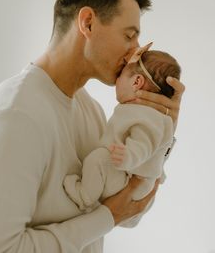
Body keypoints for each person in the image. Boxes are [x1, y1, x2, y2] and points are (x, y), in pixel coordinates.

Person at [0, 0, 185, 253]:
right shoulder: (15, 114)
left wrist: (164, 130)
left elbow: (131, 212)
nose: (135, 53)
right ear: (87, 23)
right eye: (129, 36)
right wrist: (106, 217)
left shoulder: (93, 111)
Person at [63, 44, 181, 222]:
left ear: (136, 82)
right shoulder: (146, 114)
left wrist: (129, 155)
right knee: (101, 159)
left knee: (98, 159)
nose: (116, 80)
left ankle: (84, 196)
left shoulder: (147, 116)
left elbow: (144, 143)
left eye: (121, 75)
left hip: (131, 177)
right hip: (131, 178)